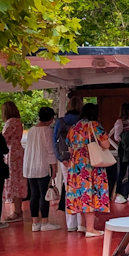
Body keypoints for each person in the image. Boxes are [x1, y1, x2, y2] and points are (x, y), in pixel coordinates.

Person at [65, 103, 111, 237]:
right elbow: (106, 144)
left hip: (76, 165)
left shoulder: (74, 128)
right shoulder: (94, 126)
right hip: (90, 164)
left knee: (80, 194)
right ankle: (90, 229)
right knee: (89, 194)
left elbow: (69, 147)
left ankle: (82, 225)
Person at [23, 106, 60, 232]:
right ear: (50, 118)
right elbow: (50, 151)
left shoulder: (32, 130)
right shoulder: (47, 131)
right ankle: (45, 221)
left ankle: (35, 223)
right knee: (44, 194)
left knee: (34, 194)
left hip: (29, 166)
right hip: (42, 165)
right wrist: (54, 168)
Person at [54, 96, 83, 231]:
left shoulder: (60, 122)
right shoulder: (82, 121)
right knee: (82, 189)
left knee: (69, 189)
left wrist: (60, 158)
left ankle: (71, 223)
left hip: (65, 159)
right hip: (80, 159)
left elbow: (55, 141)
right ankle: (82, 222)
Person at [1, 100, 26, 223]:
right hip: (19, 151)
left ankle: (17, 211)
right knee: (19, 180)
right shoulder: (18, 122)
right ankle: (18, 209)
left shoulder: (10, 123)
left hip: (12, 153)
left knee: (13, 180)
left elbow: (3, 138)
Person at [110, 102, 129, 204]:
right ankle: (118, 192)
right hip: (125, 149)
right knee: (122, 170)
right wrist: (126, 139)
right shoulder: (120, 121)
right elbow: (117, 136)